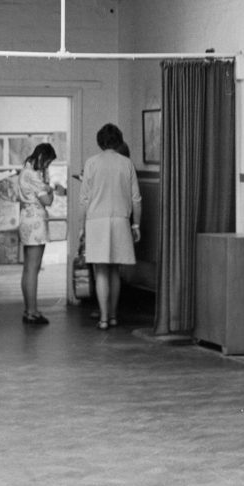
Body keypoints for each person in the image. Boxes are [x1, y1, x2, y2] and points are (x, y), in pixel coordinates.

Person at [80, 122, 142, 330]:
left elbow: (84, 200)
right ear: (118, 140)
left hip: (96, 221)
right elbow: (136, 199)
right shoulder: (126, 163)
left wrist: (82, 228)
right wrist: (136, 225)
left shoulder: (91, 163)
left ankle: (104, 318)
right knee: (115, 270)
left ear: (100, 141)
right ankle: (114, 316)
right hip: (120, 220)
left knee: (101, 270)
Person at [18, 142, 64, 325]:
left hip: (26, 220)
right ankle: (32, 311)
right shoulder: (34, 174)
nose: (48, 166)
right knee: (33, 269)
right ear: (43, 158)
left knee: (28, 268)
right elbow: (47, 200)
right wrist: (52, 192)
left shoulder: (25, 171)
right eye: (48, 162)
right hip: (36, 223)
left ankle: (28, 309)